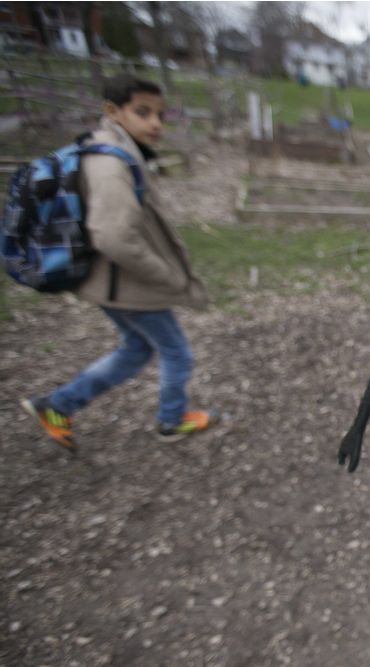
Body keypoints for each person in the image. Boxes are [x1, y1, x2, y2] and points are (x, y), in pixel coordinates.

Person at [20, 75, 218, 451]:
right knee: (176, 351)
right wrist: (168, 277)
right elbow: (112, 237)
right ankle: (170, 419)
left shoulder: (108, 151)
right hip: (128, 285)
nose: (156, 123)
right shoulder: (112, 164)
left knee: (137, 348)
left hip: (110, 283)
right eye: (142, 112)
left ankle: (58, 404)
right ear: (112, 111)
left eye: (160, 114)